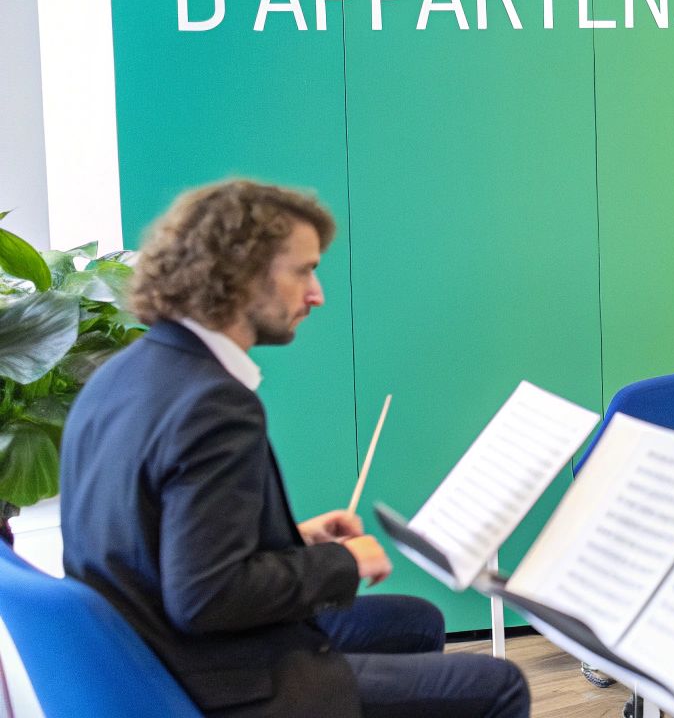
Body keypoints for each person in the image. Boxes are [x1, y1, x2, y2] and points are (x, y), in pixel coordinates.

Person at [59, 180, 530, 718]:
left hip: (146, 652)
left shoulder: (123, 373)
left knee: (414, 620)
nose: (317, 293)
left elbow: (155, 537)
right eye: (304, 270)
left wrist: (292, 539)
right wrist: (339, 562)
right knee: (499, 685)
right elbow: (207, 597)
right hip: (214, 680)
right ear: (238, 274)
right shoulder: (213, 403)